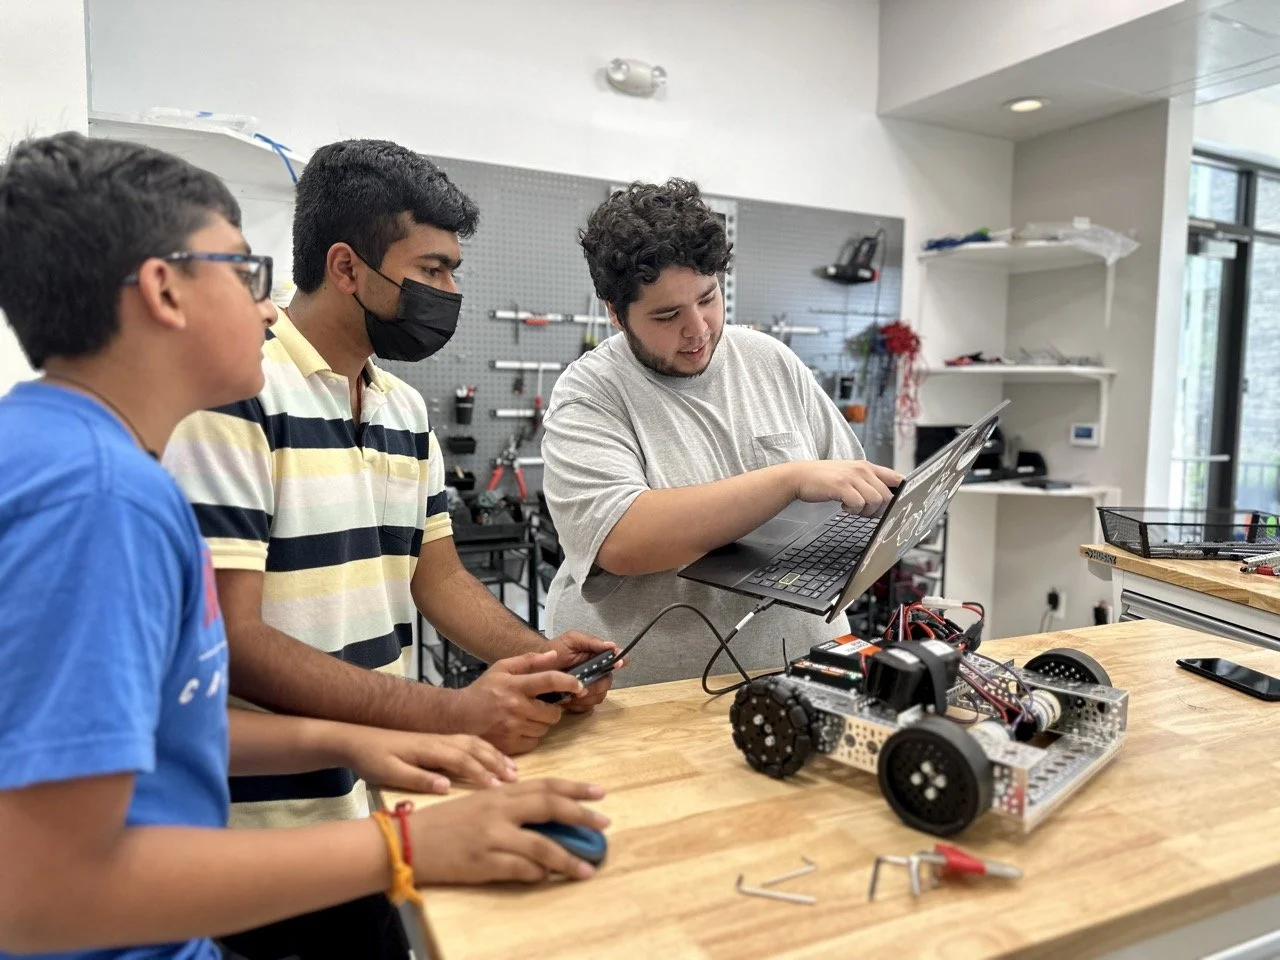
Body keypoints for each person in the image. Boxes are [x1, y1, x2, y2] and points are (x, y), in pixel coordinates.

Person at [0, 133, 607, 960]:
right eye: (245, 274)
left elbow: (164, 721)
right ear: (163, 291)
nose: (265, 306)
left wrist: (352, 739)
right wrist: (408, 840)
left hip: (310, 828)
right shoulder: (102, 494)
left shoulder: (85, 466)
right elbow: (44, 889)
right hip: (230, 867)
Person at [541, 179, 904, 687]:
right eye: (667, 315)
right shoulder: (591, 393)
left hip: (800, 672)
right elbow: (623, 541)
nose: (698, 329)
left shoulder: (770, 359)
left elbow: (846, 493)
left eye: (708, 299)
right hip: (655, 694)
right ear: (614, 314)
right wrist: (787, 480)